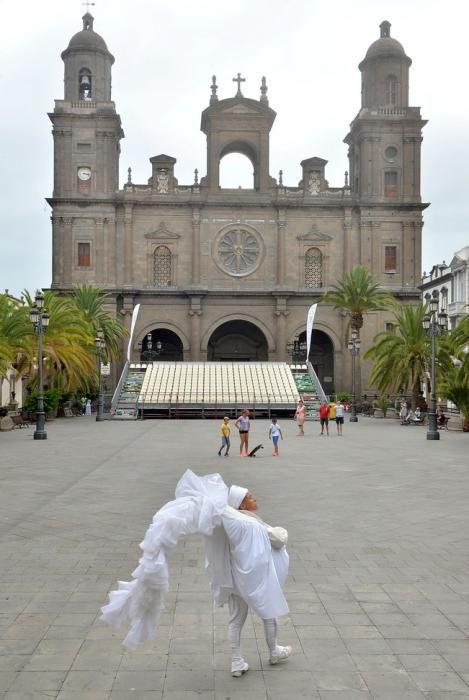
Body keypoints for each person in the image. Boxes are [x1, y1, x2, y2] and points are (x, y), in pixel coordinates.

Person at [100, 470, 292, 678]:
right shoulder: (247, 523)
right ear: (241, 504)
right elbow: (279, 538)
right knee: (269, 615)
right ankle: (274, 651)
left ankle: (237, 662)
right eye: (250, 497)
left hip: (236, 579)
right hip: (254, 581)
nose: (255, 499)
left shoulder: (232, 521)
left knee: (236, 619)